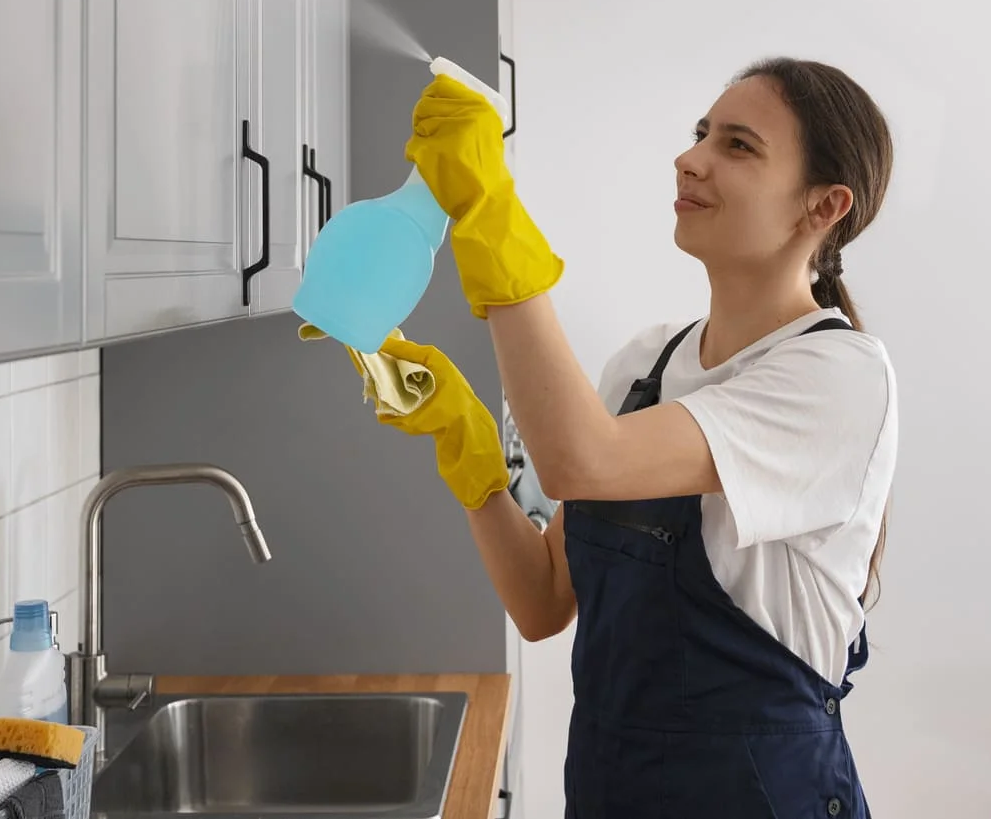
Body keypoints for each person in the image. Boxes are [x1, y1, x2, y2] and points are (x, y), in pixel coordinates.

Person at [375, 58, 898, 818]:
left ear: (823, 205)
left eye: (739, 146)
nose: (692, 158)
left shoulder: (839, 375)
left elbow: (580, 458)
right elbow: (543, 598)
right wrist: (465, 445)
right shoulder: (645, 365)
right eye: (700, 134)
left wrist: (492, 213)